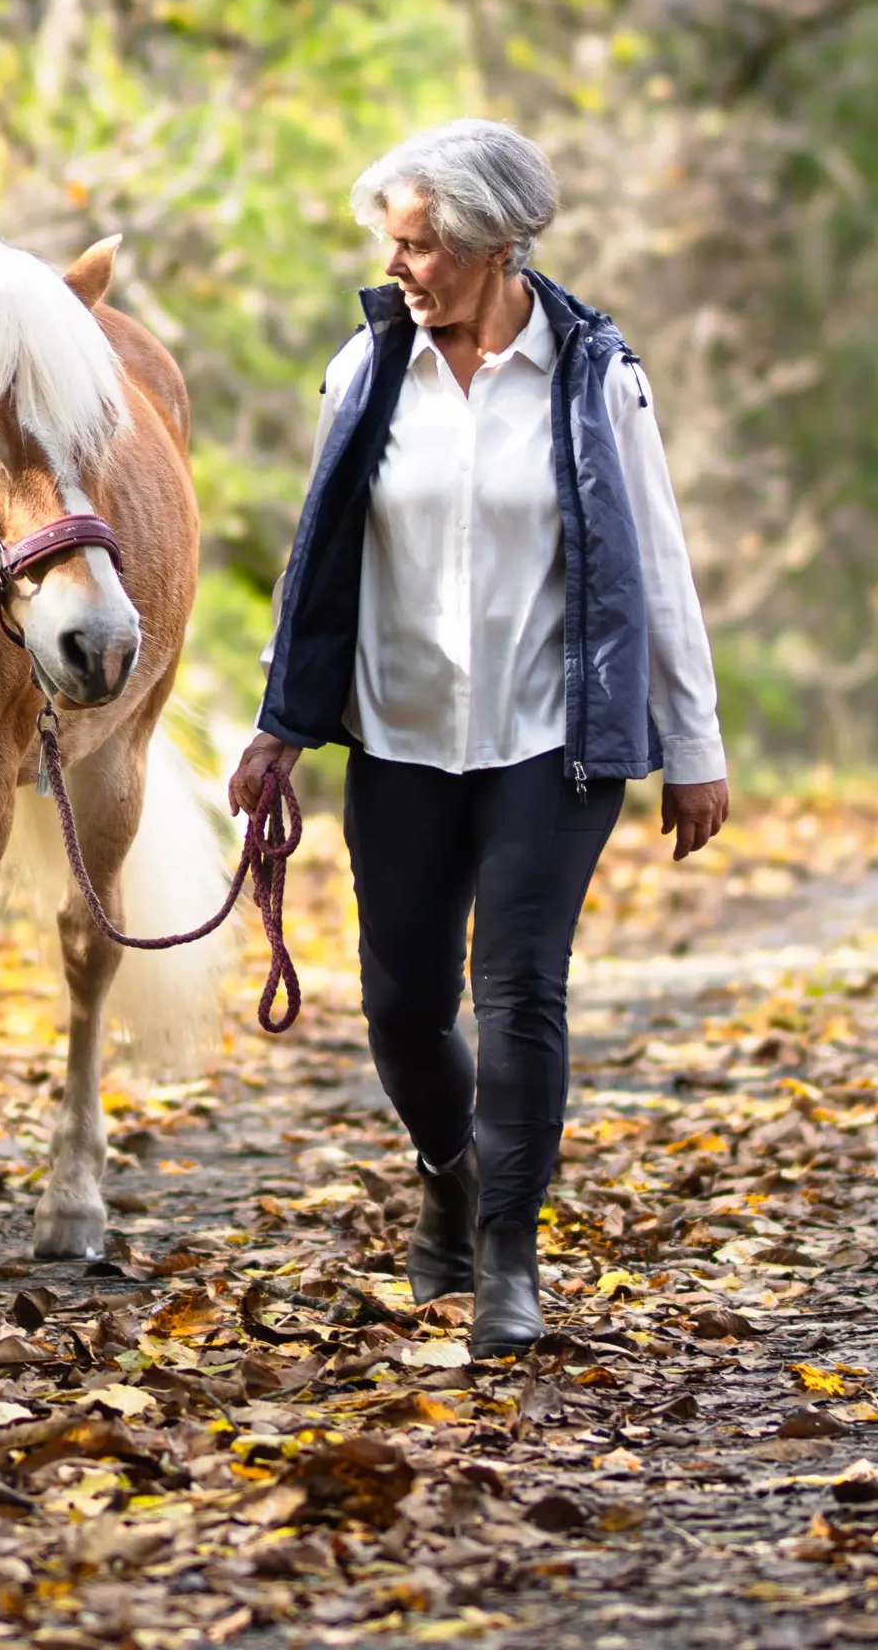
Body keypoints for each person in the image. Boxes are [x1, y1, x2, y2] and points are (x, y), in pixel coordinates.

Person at [229, 120, 728, 1357]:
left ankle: (509, 1249)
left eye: (421, 243)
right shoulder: (365, 370)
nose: (400, 265)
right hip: (398, 730)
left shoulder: (594, 377)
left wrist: (695, 742)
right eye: (391, 242)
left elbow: (654, 561)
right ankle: (446, 1173)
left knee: (518, 991)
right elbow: (318, 557)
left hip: (549, 738)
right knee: (400, 1002)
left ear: (498, 243)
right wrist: (279, 723)